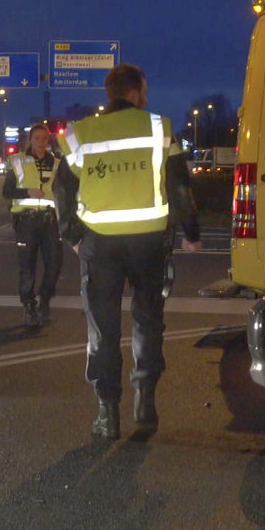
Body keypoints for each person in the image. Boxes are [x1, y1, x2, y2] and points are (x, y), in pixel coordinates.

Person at [54, 63, 201, 440]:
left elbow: (62, 190)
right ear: (135, 92)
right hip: (149, 243)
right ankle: (145, 399)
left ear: (110, 93)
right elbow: (180, 186)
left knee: (102, 328)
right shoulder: (160, 128)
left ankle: (107, 413)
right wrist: (191, 232)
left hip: (99, 244)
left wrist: (72, 235)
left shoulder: (80, 134)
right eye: (145, 91)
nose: (147, 97)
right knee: (147, 320)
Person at [2, 123, 63, 329]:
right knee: (27, 267)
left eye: (44, 138)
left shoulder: (55, 163)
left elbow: (62, 191)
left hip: (49, 221)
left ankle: (44, 301)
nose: (40, 142)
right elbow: (7, 191)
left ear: (48, 140)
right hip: (26, 222)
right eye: (36, 138)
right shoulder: (17, 161)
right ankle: (29, 306)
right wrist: (27, 192)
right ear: (30, 140)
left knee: (54, 263)